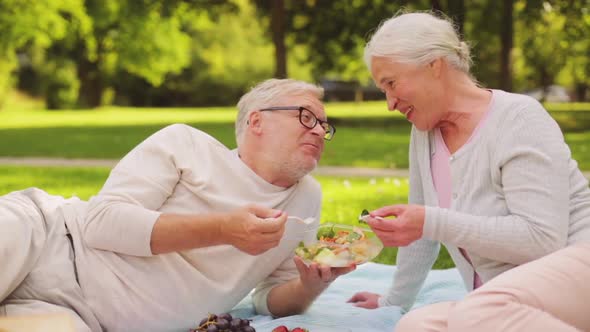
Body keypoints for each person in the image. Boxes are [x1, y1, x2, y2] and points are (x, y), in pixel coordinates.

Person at [0, 78, 355, 332]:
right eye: (306, 117)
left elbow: (269, 299)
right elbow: (101, 223)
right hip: (46, 238)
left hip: (77, 315)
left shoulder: (308, 197)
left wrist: (311, 285)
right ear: (257, 120)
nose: (318, 131)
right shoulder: (185, 144)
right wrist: (223, 229)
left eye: (324, 125)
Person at [346, 11, 590, 331]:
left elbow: (541, 239)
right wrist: (395, 300)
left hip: (576, 268)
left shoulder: (519, 118)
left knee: (477, 313)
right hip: (499, 301)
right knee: (414, 326)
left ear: (434, 64)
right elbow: (422, 234)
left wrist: (430, 221)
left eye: (391, 83)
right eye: (383, 90)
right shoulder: (424, 134)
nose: (390, 103)